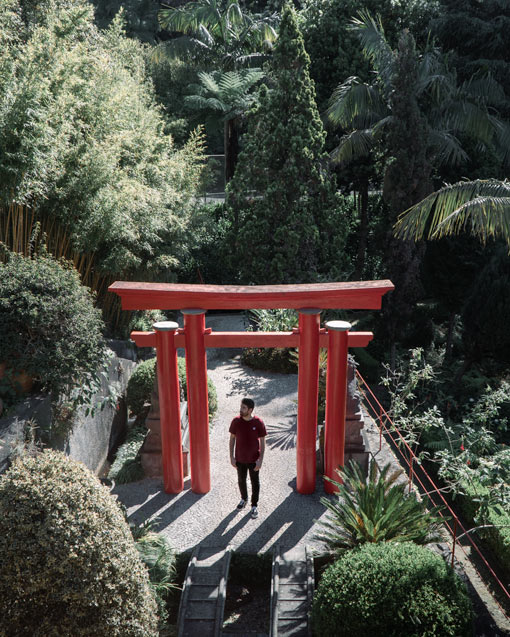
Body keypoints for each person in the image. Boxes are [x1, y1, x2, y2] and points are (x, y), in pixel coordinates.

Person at [229, 397, 266, 519]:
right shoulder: (236, 421)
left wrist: (260, 460)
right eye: (241, 407)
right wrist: (231, 457)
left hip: (254, 460)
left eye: (244, 408)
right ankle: (243, 499)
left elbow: (262, 441)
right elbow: (232, 438)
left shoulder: (258, 422)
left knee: (255, 482)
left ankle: (254, 505)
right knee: (241, 480)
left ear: (250, 410)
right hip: (240, 459)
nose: (241, 409)